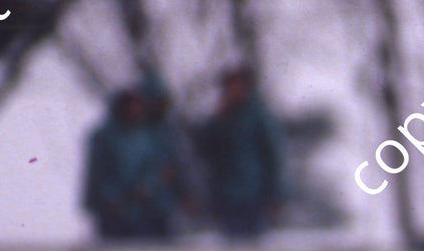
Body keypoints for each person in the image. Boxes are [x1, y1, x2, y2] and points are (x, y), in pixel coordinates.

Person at [83, 85, 183, 239]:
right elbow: (99, 173)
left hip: (144, 208)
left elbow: (156, 167)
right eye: (132, 107)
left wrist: (148, 185)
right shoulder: (104, 137)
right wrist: (113, 198)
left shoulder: (148, 136)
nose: (136, 111)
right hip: (112, 210)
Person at [198, 67, 286, 239]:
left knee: (252, 246)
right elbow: (205, 151)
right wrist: (216, 121)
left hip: (254, 195)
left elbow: (273, 156)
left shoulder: (259, 116)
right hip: (225, 195)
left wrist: (276, 195)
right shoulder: (221, 117)